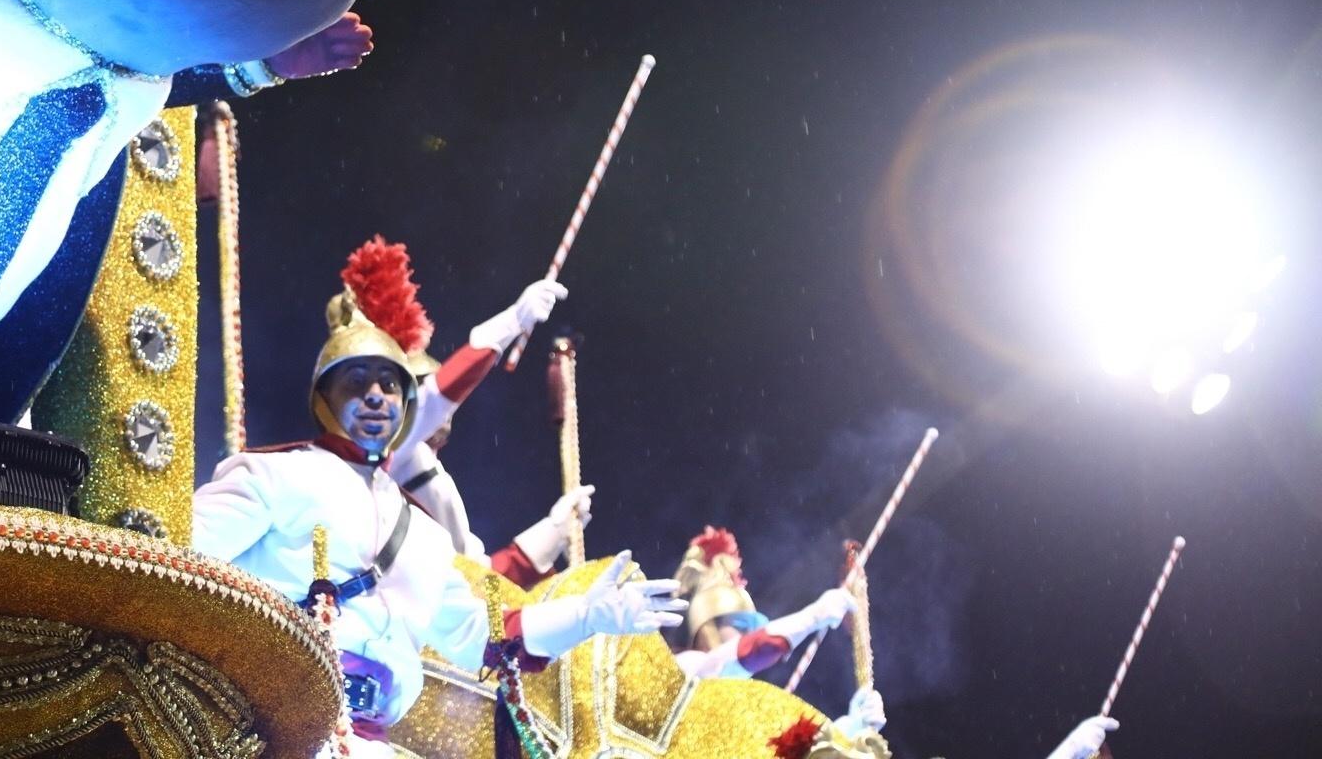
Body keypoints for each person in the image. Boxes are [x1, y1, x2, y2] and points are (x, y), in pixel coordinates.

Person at [191, 281, 683, 752]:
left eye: (389, 384)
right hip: (265, 733)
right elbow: (179, 556)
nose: (376, 396)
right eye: (357, 383)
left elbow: (484, 640)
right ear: (324, 399)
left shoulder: (425, 534)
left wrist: (588, 616)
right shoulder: (274, 475)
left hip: (372, 744)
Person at [337, 237, 582, 585]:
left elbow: (480, 582)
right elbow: (437, 396)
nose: (444, 408)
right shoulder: (389, 455)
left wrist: (554, 530)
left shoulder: (424, 467)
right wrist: (513, 321)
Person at [672, 526, 856, 679]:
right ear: (708, 627)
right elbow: (754, 648)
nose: (748, 633)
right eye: (740, 625)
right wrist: (814, 616)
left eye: (750, 629)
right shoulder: (687, 667)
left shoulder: (740, 694)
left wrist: (854, 724)